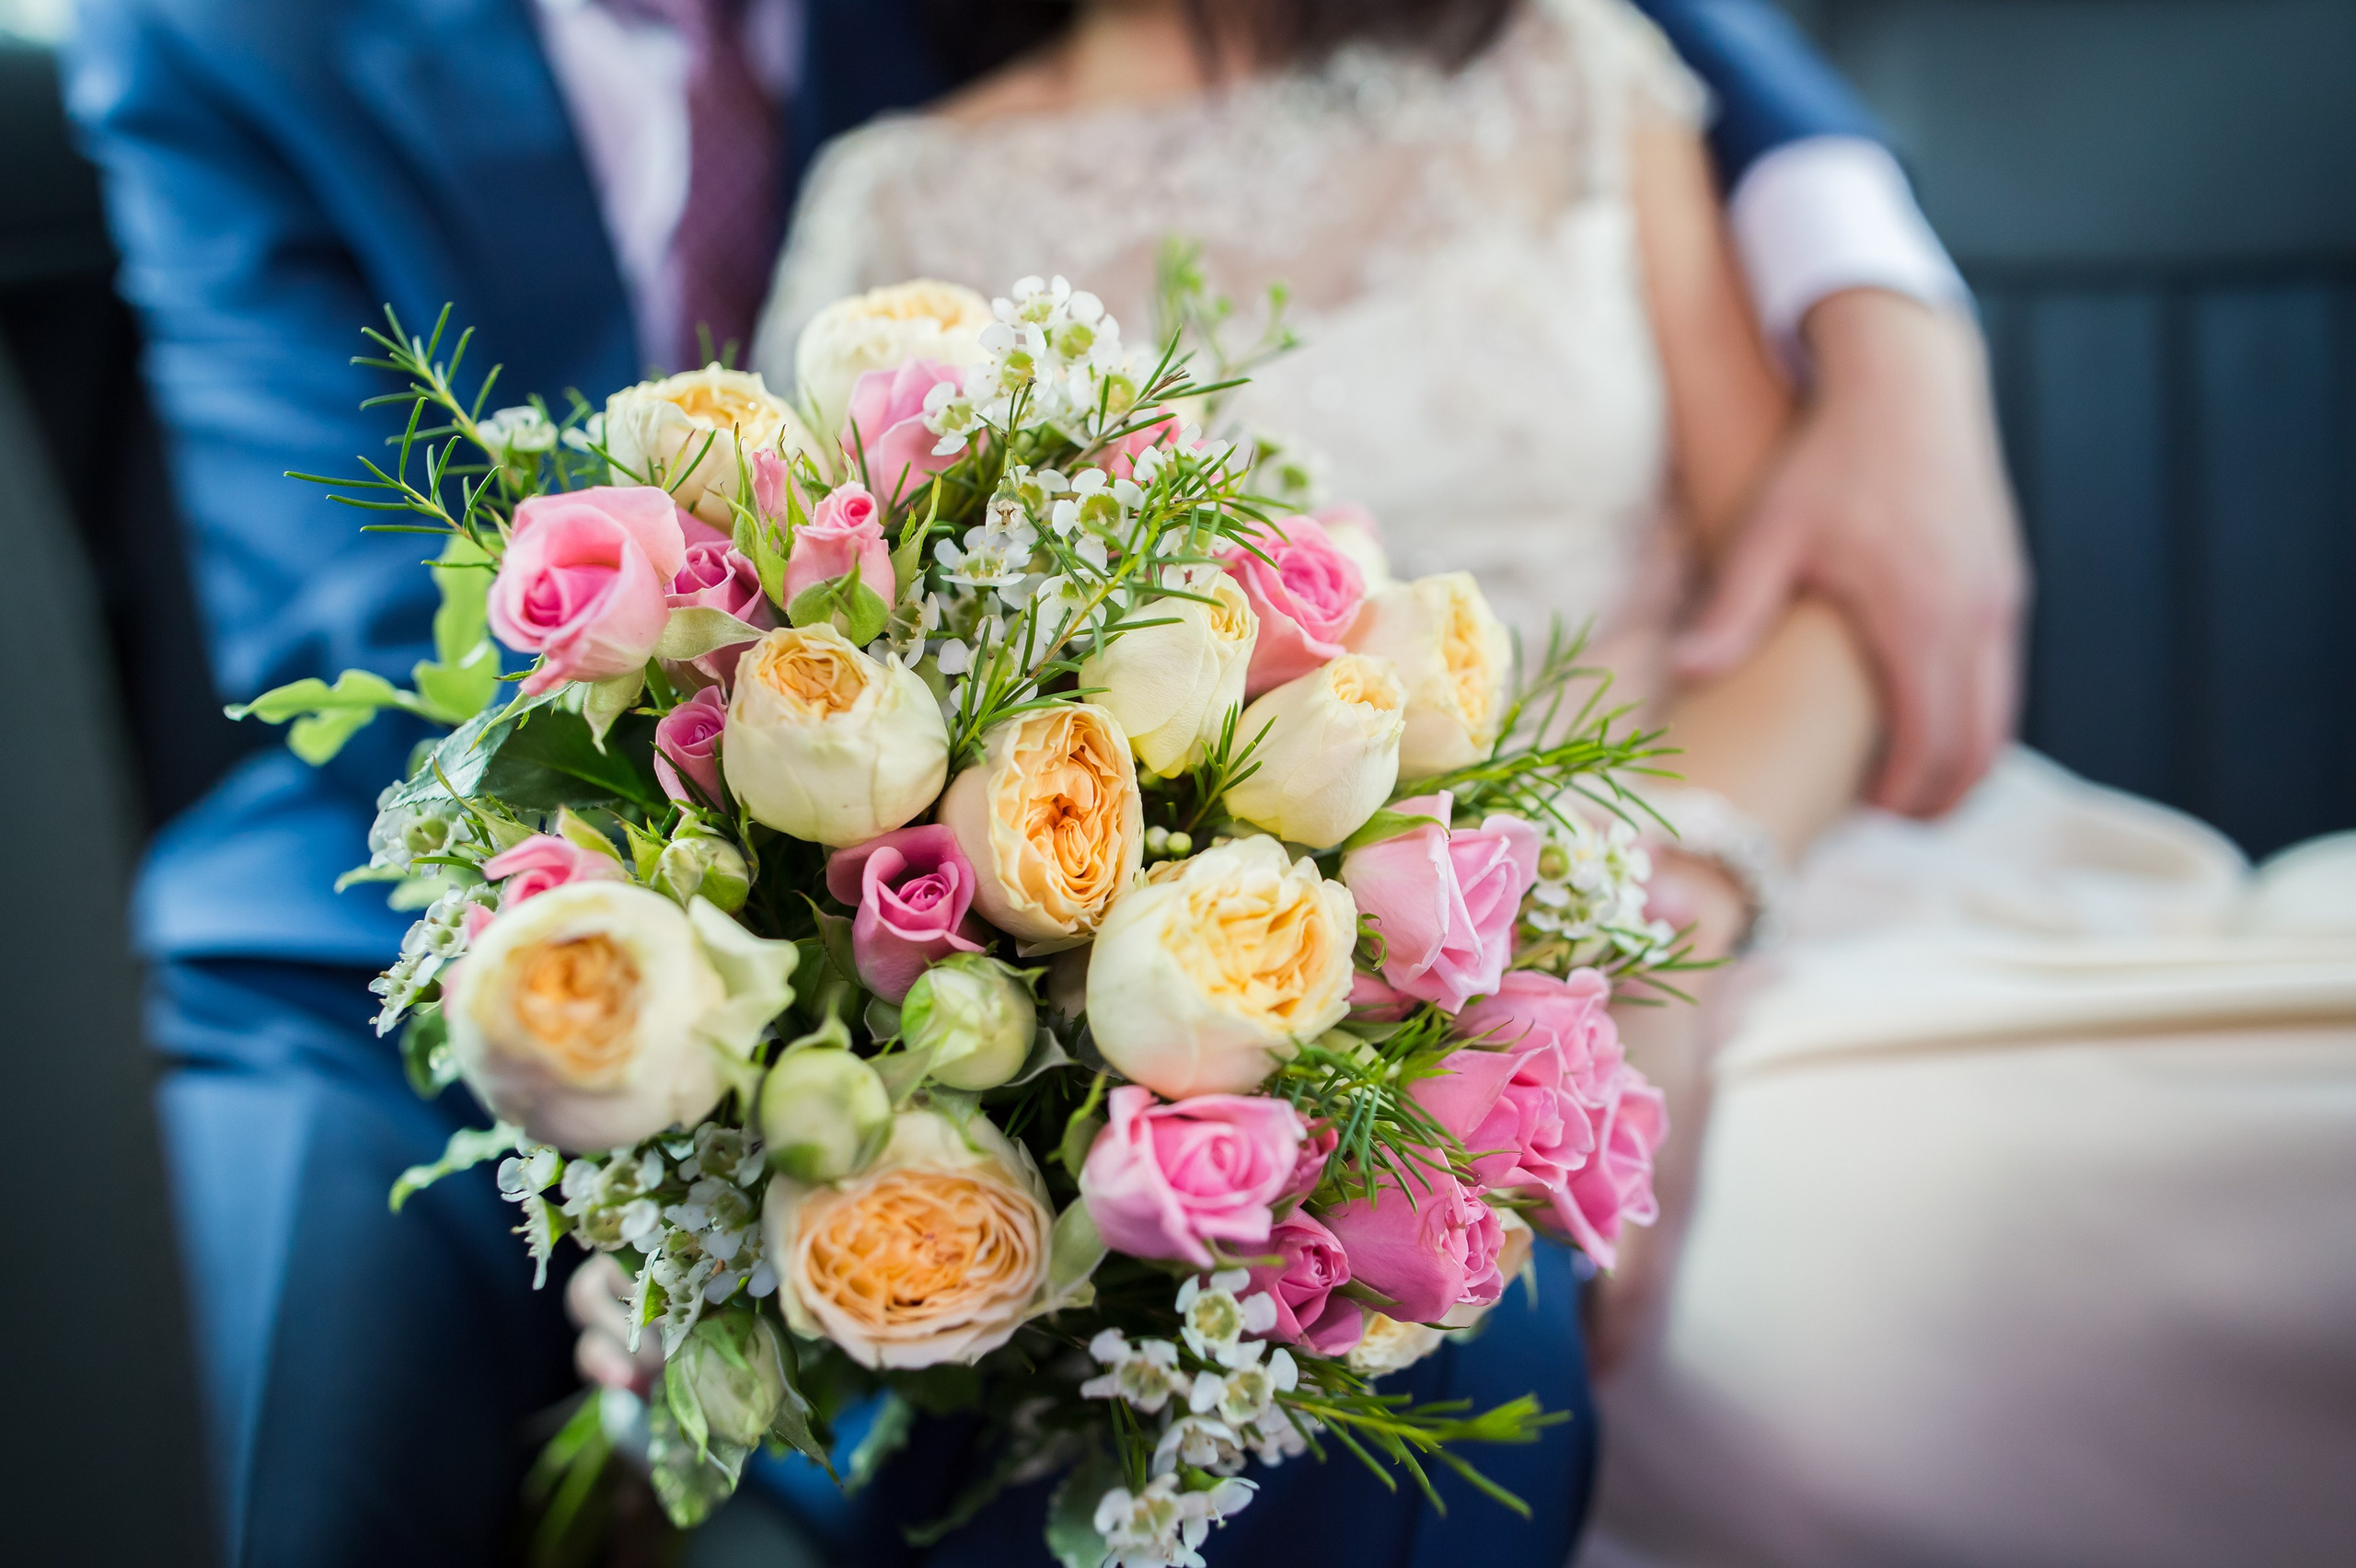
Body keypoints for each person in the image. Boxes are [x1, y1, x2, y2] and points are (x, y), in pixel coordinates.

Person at [63, 0, 2020, 1563]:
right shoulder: (237, 39)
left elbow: (1618, 59)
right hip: (388, 917)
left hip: (1176, 895)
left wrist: (1901, 327)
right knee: (260, 1482)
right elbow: (359, 638)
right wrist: (687, 1092)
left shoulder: (1522, 68)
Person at [732, 0, 2356, 1562]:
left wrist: (1670, 932)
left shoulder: (1569, 66)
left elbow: (1824, 600)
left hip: (1755, 873)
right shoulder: (893, 206)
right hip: (1301, 1077)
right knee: (1854, 1271)